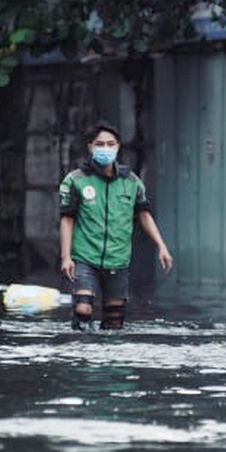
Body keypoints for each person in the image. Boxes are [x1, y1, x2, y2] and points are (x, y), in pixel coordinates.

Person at [59, 120, 173, 330]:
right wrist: (66, 257)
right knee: (83, 310)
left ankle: (106, 358)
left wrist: (162, 247)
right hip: (85, 258)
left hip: (118, 259)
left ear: (118, 147)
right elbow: (67, 218)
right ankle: (80, 353)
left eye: (111, 144)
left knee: (114, 322)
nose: (105, 149)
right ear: (90, 147)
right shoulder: (76, 180)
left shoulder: (131, 182)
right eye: (100, 144)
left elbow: (144, 215)